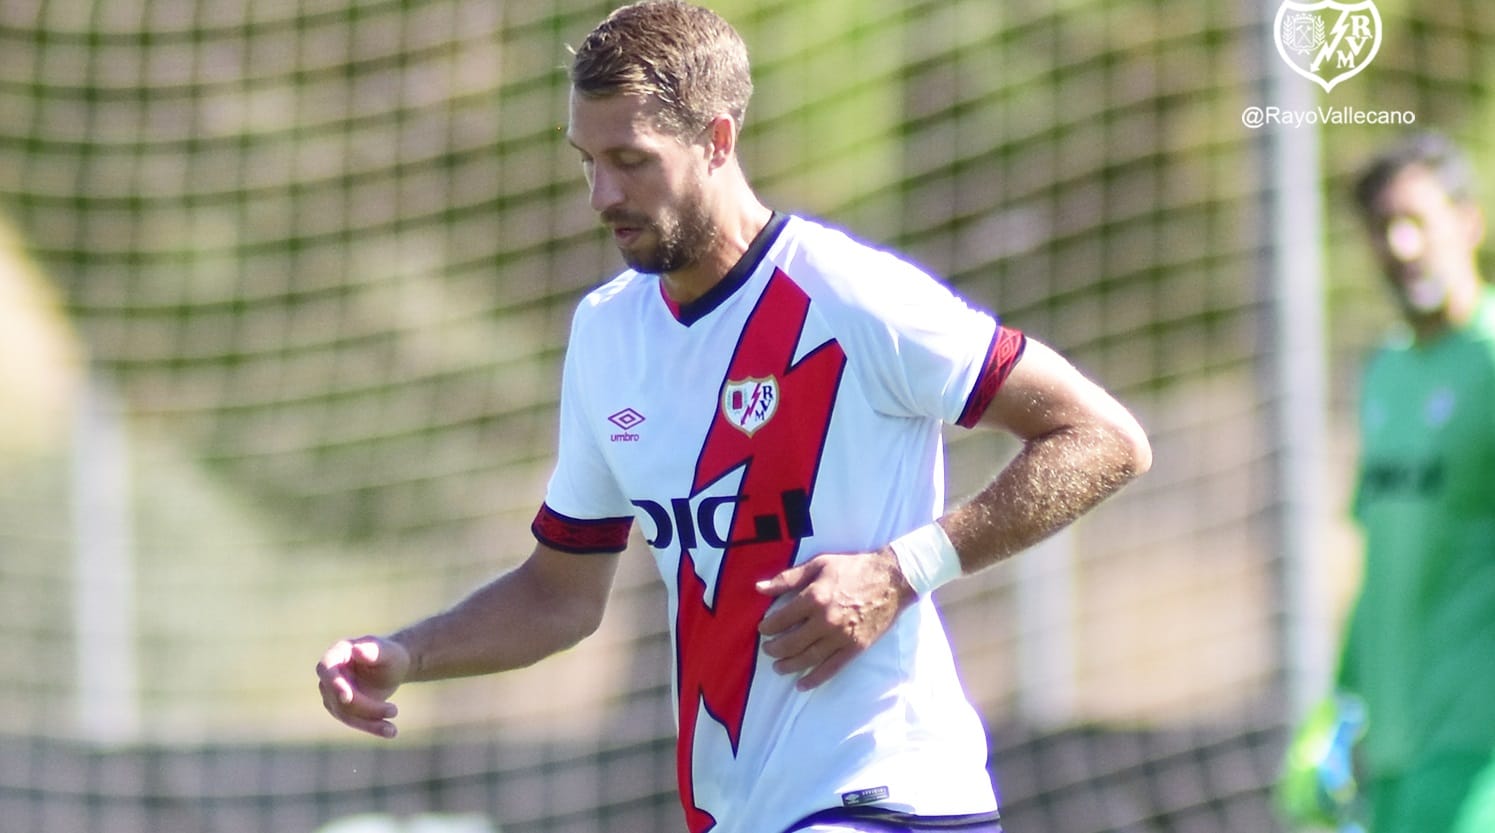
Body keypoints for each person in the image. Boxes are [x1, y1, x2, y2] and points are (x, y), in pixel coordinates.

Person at [316, 3, 1152, 832]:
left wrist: (904, 568)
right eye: (587, 162)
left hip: (885, 795)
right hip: (742, 814)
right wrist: (406, 654)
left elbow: (1105, 438)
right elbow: (557, 594)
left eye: (630, 160)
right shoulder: (608, 334)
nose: (602, 194)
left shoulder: (848, 296)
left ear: (717, 141)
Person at [1279, 132, 1495, 833]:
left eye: (1416, 222)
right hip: (1397, 753)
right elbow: (1381, 561)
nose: (1400, 246)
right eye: (1381, 227)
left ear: (1468, 222)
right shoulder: (1385, 374)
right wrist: (1340, 708)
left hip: (1477, 753)